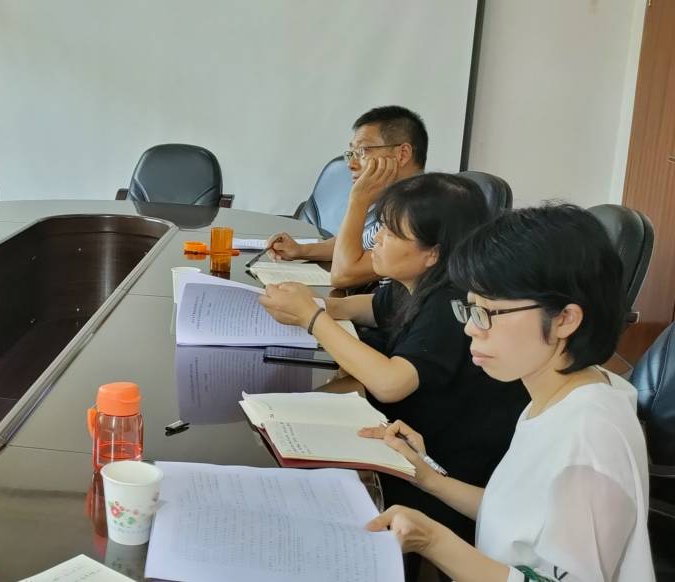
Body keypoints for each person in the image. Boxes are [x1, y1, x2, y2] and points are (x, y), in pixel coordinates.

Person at [362, 205, 653, 581]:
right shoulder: (557, 393)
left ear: (565, 319)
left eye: (489, 312)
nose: (471, 328)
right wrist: (429, 478)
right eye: (470, 309)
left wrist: (434, 541)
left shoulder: (589, 441)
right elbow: (519, 517)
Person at [258, 173, 529, 553]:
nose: (377, 239)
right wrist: (312, 304)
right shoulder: (417, 283)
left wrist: (311, 317)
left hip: (445, 470)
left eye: (391, 232)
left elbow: (390, 383)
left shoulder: (451, 302)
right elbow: (368, 307)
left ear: (432, 253)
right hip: (409, 438)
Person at [266, 105, 427, 289]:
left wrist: (358, 199)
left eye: (363, 151)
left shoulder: (419, 214)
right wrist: (301, 250)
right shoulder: (399, 203)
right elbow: (358, 246)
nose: (351, 164)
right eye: (352, 153)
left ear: (402, 154)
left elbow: (343, 274)